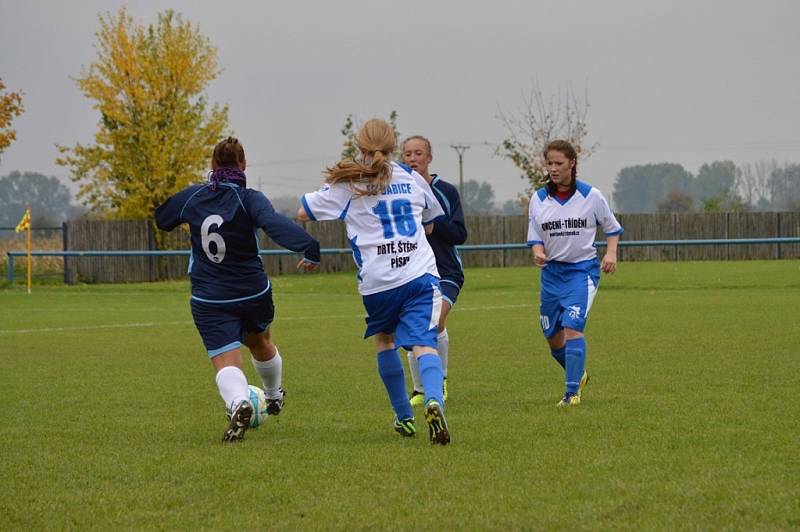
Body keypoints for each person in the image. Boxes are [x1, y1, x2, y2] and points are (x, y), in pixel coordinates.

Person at [155, 137, 320, 442]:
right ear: (243, 165)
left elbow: (162, 219)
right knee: (260, 341)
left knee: (224, 359)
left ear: (212, 165)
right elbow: (272, 222)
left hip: (210, 296)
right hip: (252, 292)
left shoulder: (194, 197)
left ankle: (238, 403)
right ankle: (272, 395)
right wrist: (308, 246)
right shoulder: (250, 198)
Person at [297, 119, 451, 445]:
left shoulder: (349, 185)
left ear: (359, 147)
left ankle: (404, 417)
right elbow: (432, 222)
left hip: (378, 282)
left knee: (385, 341)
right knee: (425, 343)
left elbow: (302, 212)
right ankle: (434, 399)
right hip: (418, 274)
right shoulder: (411, 177)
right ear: (393, 147)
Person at [526, 139, 622, 407]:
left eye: (559, 163)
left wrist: (611, 253)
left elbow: (612, 228)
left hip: (582, 271)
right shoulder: (539, 198)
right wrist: (538, 252)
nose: (553, 168)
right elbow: (534, 236)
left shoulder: (591, 196)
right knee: (552, 337)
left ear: (572, 164)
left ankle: (571, 394)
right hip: (551, 274)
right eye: (549, 163)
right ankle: (579, 374)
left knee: (572, 328)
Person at [400, 135, 467, 407]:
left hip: (446, 272)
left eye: (418, 153)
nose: (413, 159)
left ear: (429, 157)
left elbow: (460, 234)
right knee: (414, 329)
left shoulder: (446, 192)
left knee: (436, 322)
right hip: (413, 272)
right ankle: (418, 390)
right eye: (407, 154)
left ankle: (440, 383)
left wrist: (435, 226)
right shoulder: (401, 192)